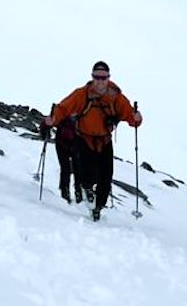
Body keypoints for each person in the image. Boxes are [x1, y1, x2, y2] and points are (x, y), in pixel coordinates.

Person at [45, 61, 142, 221]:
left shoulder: (115, 96)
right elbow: (63, 108)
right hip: (84, 138)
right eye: (97, 77)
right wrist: (53, 119)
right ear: (92, 77)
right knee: (87, 175)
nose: (100, 81)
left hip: (105, 140)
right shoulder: (81, 94)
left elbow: (129, 115)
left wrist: (136, 119)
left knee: (106, 177)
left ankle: (98, 207)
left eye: (103, 78)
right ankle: (87, 189)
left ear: (108, 78)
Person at [40, 114, 87, 204]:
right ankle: (78, 193)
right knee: (77, 169)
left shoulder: (63, 112)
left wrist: (45, 132)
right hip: (74, 145)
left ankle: (65, 193)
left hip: (62, 144)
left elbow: (47, 123)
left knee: (66, 169)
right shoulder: (81, 112)